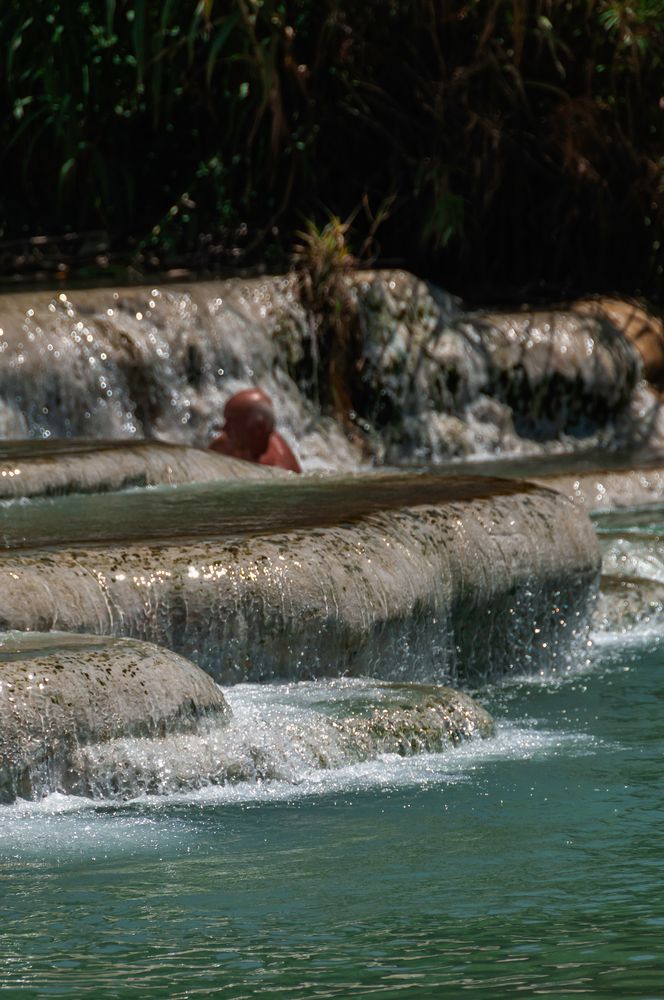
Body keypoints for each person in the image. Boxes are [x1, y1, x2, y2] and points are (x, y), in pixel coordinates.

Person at [208, 388, 301, 473]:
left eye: (232, 424)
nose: (224, 429)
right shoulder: (225, 444)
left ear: (257, 429)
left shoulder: (280, 470)